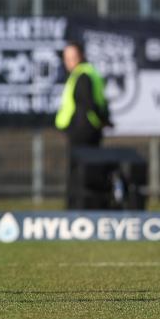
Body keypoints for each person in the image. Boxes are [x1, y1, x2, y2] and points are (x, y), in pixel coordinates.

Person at [55, 42, 112, 209]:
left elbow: (89, 103)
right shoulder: (90, 73)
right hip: (89, 130)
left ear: (81, 56)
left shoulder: (83, 76)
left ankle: (78, 208)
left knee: (81, 172)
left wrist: (102, 120)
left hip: (82, 131)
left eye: (72, 57)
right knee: (87, 169)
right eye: (66, 58)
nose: (69, 62)